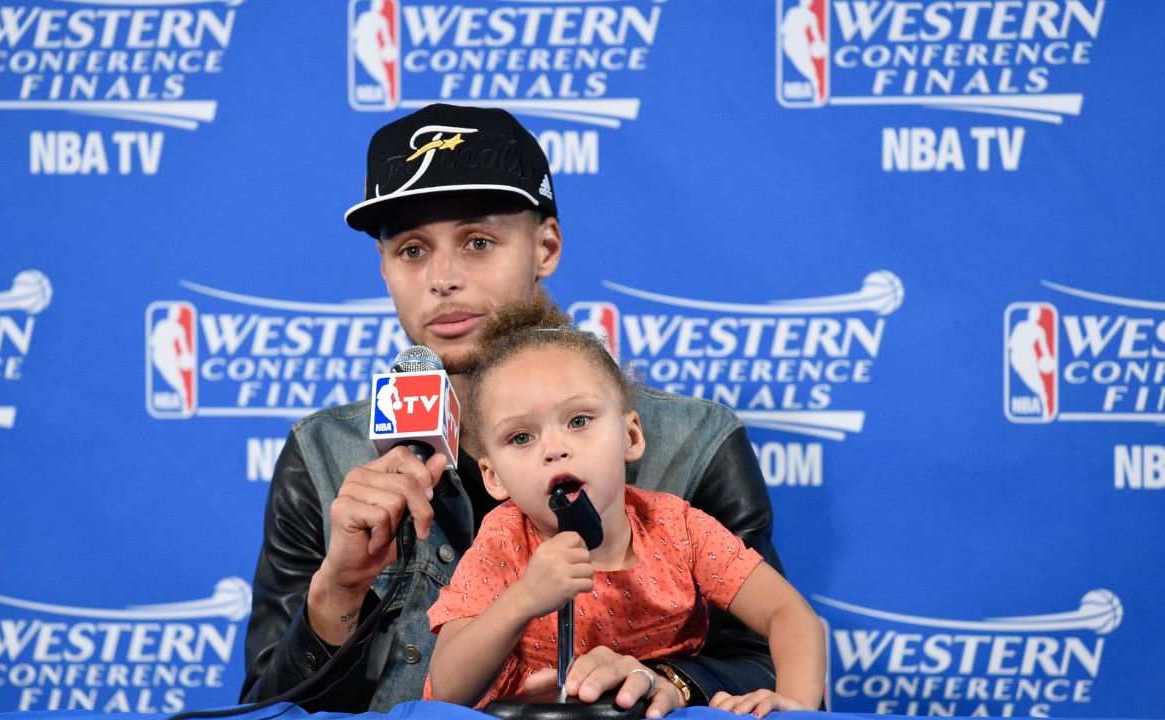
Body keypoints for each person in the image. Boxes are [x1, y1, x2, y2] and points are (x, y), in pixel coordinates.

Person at [241, 103, 786, 715]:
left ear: (545, 247)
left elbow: (766, 657)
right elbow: (267, 710)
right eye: (413, 251)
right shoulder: (322, 455)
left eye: (478, 241)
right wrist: (338, 591)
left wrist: (668, 681)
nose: (442, 278)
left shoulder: (694, 441)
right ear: (386, 268)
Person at [424, 301, 826, 717]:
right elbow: (449, 687)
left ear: (631, 435)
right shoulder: (503, 540)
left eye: (578, 420)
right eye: (521, 438)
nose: (554, 449)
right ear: (494, 477)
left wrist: (795, 707)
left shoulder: (679, 527)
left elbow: (790, 614)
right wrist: (522, 599)